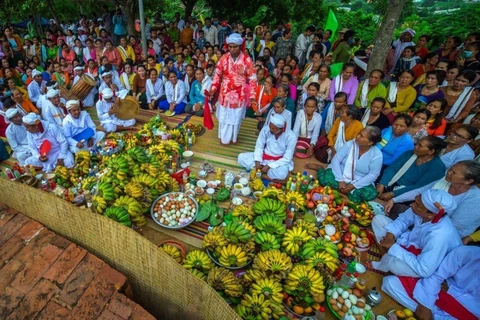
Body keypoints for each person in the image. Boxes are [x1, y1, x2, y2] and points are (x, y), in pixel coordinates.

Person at [372, 189, 461, 278]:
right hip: (413, 245)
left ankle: (388, 256)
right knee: (378, 220)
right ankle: (387, 254)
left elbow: (424, 270)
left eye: (417, 204)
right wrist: (390, 236)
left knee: (394, 265)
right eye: (415, 201)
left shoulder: (439, 236)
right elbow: (403, 221)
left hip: (429, 264)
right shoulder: (422, 208)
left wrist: (393, 247)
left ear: (431, 214)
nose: (412, 205)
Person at [384, 160, 480, 240]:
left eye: (454, 172)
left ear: (468, 181)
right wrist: (394, 199)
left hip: (438, 235)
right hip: (421, 217)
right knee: (387, 215)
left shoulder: (475, 199)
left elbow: (453, 226)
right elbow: (420, 191)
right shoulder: (445, 180)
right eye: (450, 168)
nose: (448, 172)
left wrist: (418, 224)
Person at [382, 246, 480, 320]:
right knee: (390, 283)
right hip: (439, 294)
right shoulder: (470, 253)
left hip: (469, 315)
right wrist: (426, 304)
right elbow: (437, 275)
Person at [309, 126, 383, 202]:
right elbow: (336, 160)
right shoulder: (350, 144)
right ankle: (320, 169)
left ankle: (342, 189)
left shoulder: (377, 155)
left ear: (370, 142)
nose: (357, 136)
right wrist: (340, 180)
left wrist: (354, 186)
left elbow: (373, 174)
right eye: (359, 133)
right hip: (341, 172)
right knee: (325, 180)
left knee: (371, 194)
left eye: (361, 136)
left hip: (359, 179)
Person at [210, 33, 257, 145]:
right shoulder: (224, 58)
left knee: (235, 118)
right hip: (225, 93)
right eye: (230, 47)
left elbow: (253, 79)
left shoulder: (247, 60)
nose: (232, 49)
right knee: (224, 117)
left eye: (234, 47)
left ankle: (233, 138)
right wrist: (213, 89)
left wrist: (252, 96)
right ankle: (223, 138)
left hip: (239, 94)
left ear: (240, 46)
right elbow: (217, 74)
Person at [376, 136, 446, 200]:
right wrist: (382, 184)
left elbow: (419, 187)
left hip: (407, 194)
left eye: (420, 146)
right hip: (390, 183)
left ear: (431, 151)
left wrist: (393, 194)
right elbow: (392, 168)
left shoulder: (437, 167)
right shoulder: (409, 154)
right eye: (417, 144)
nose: (415, 146)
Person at [238, 115, 297, 181]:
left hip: (279, 162)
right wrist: (257, 162)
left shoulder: (291, 136)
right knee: (241, 157)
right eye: (270, 127)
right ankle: (263, 173)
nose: (271, 129)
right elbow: (259, 146)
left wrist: (269, 166)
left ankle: (261, 174)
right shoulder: (266, 129)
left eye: (274, 129)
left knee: (282, 174)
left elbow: (287, 158)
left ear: (281, 129)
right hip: (264, 157)